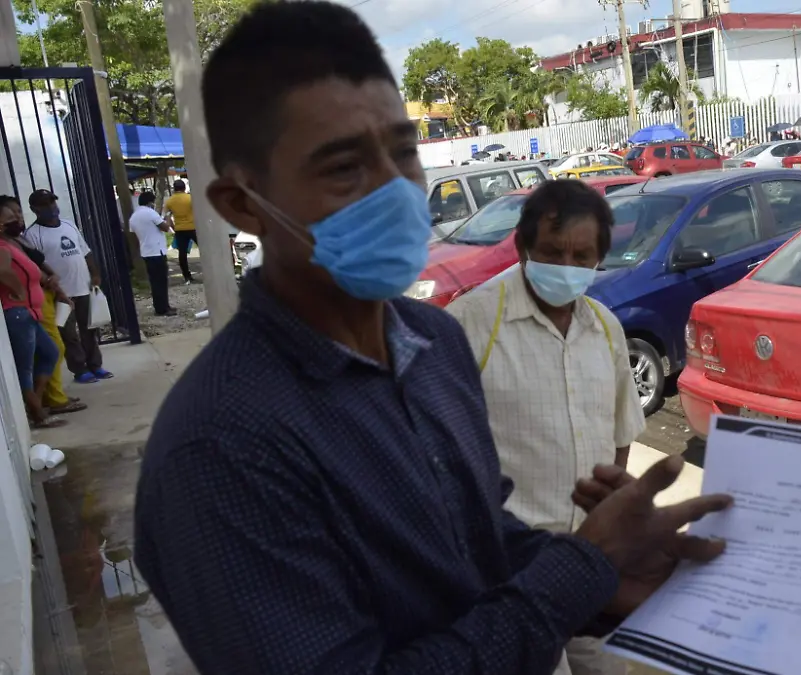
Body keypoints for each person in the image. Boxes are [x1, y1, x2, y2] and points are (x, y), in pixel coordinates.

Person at [132, 5, 731, 675]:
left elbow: (476, 542)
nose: (398, 190)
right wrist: (578, 568)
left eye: (403, 150)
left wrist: (612, 577)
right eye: (342, 167)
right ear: (243, 205)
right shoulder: (222, 448)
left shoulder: (432, 341)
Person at [446, 180, 644, 675]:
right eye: (553, 252)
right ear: (522, 246)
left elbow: (620, 435)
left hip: (595, 564)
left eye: (582, 255)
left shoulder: (604, 327)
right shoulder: (471, 324)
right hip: (512, 574)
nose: (567, 267)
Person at [0, 195, 85, 415]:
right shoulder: (8, 243)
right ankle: (44, 405)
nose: (17, 219)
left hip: (33, 308)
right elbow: (5, 271)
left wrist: (57, 287)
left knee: (50, 351)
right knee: (32, 361)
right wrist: (19, 290)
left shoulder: (18, 240)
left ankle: (38, 401)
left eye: (18, 214)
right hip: (20, 311)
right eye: (10, 216)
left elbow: (36, 266)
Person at [22, 189, 112, 384]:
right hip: (60, 294)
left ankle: (95, 365)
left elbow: (85, 252)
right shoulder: (32, 234)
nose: (51, 208)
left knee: (89, 328)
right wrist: (53, 286)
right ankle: (80, 370)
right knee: (68, 334)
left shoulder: (69, 225)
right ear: (34, 209)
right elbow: (36, 265)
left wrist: (95, 273)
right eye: (45, 205)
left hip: (83, 287)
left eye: (52, 202)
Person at [130, 191, 177, 316]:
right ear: (150, 202)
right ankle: (164, 308)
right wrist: (167, 216)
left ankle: (160, 307)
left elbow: (133, 237)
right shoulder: (150, 213)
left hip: (146, 252)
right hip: (157, 251)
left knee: (154, 281)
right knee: (161, 281)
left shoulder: (134, 216)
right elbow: (166, 228)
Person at [163, 179, 198, 284]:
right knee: (205, 250)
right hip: (193, 227)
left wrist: (173, 227)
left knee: (182, 254)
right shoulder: (190, 198)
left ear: (174, 189)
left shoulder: (169, 201)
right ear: (184, 188)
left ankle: (187, 277)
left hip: (180, 229)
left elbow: (167, 217)